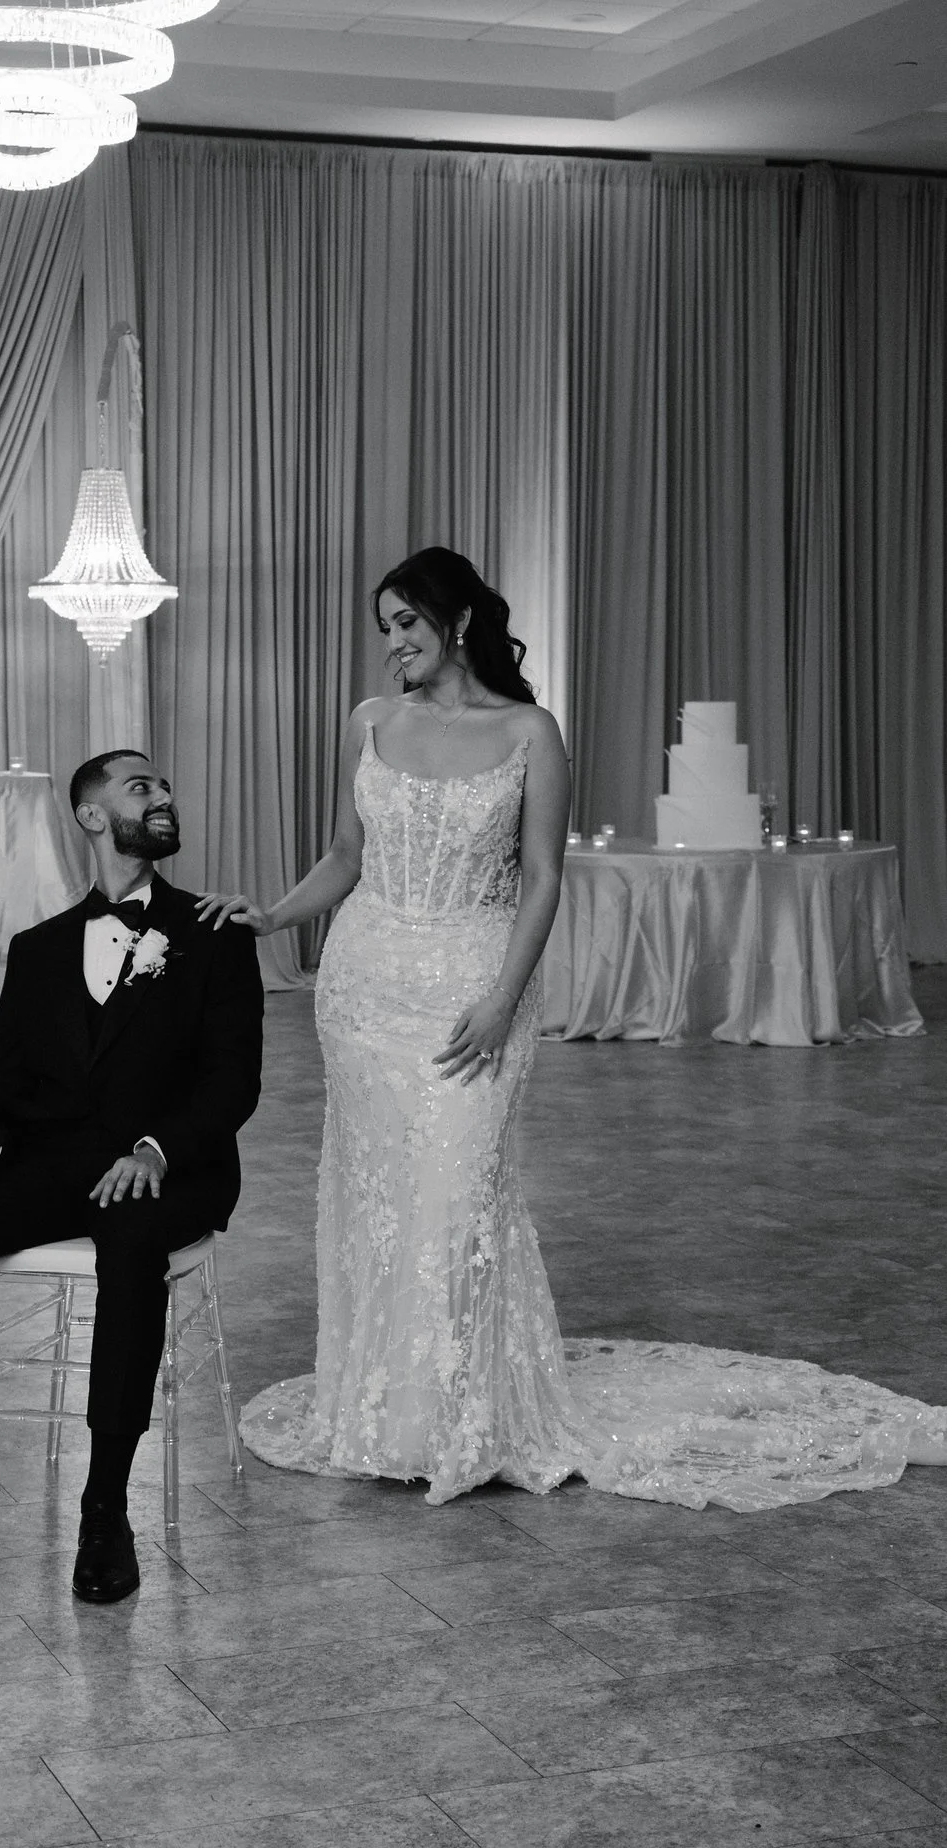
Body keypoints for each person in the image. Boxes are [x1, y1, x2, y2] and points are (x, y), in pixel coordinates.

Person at [198, 547, 946, 1510]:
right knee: (380, 1201)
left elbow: (543, 878)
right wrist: (272, 917)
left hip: (472, 981)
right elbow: (348, 853)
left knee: (459, 1198)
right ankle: (389, 1416)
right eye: (383, 628)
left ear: (455, 621)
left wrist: (504, 999)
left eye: (405, 626)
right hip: (363, 989)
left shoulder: (529, 731)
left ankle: (466, 1418)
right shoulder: (371, 723)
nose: (390, 647)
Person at [0, 750, 263, 1601]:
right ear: (89, 816)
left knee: (130, 1229)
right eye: (141, 786)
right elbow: (5, 1079)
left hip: (171, 1163)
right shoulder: (38, 948)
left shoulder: (212, 933)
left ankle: (106, 1507)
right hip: (56, 1160)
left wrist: (154, 1149)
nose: (163, 796)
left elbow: (233, 1081)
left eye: (165, 784)